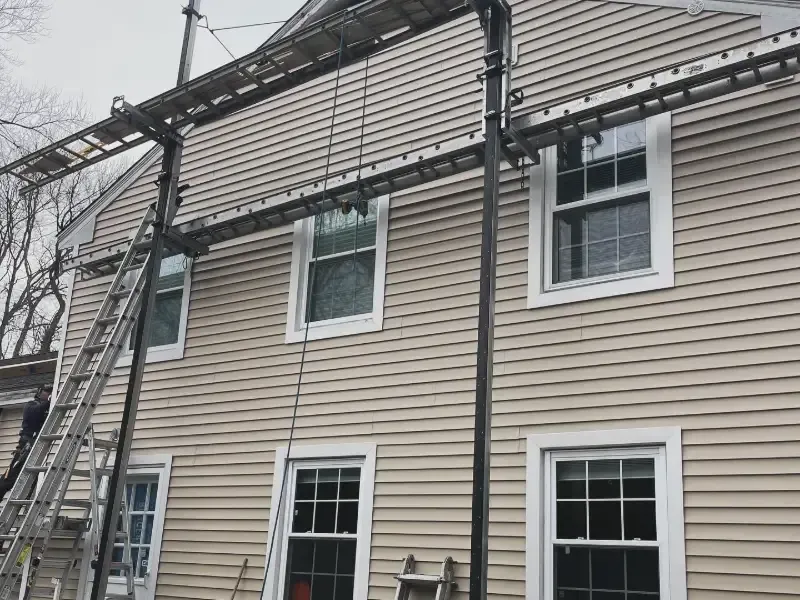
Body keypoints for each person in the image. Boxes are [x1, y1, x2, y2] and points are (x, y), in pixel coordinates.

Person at [0, 384, 52, 503]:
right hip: (26, 445)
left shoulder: (47, 408)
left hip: (37, 445)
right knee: (11, 476)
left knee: (32, 477)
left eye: (50, 392)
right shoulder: (31, 405)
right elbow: (36, 412)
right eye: (47, 392)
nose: (49, 394)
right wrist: (48, 402)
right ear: (39, 392)